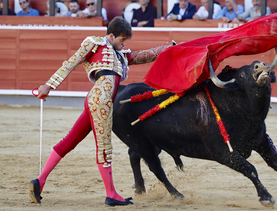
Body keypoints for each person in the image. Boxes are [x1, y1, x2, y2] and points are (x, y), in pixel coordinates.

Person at [28, 16, 174, 207]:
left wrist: (167, 48)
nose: (124, 44)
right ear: (111, 35)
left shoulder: (120, 54)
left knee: (70, 140)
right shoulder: (94, 43)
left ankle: (40, 181)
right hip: (102, 101)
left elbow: (142, 56)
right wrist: (49, 85)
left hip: (95, 101)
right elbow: (71, 62)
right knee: (104, 147)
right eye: (122, 40)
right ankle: (111, 194)